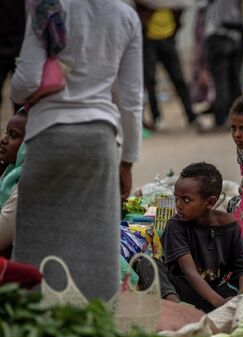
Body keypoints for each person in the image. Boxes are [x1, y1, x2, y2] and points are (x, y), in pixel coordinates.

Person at [10, 0, 143, 301]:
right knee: (96, 244)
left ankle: (35, 317)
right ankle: (95, 321)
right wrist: (128, 161)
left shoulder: (47, 6)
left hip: (49, 135)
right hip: (100, 139)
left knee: (37, 241)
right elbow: (132, 99)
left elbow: (25, 82)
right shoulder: (125, 16)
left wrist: (24, 89)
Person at [161, 162, 243, 312]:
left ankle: (217, 307)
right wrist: (221, 305)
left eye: (186, 199)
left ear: (210, 202)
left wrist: (242, 299)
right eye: (176, 198)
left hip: (218, 292)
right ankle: (178, 310)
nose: (178, 204)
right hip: (185, 294)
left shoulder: (229, 224)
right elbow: (190, 273)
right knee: (149, 265)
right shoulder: (175, 226)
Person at [135, 2, 198, 131]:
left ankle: (191, 116)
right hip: (149, 40)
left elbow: (182, 7)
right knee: (150, 81)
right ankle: (157, 117)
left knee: (178, 78)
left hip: (168, 39)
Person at [204, 0, 243, 131]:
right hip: (235, 35)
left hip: (218, 35)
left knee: (221, 81)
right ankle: (240, 118)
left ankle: (221, 119)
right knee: (234, 79)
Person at [0, 109, 27, 258]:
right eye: (6, 133)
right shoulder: (9, 172)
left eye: (14, 135)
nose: (4, 140)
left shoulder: (25, 181)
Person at [0, 0, 25, 115]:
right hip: (21, 49)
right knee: (22, 101)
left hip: (22, 50)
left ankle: (19, 131)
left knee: (22, 101)